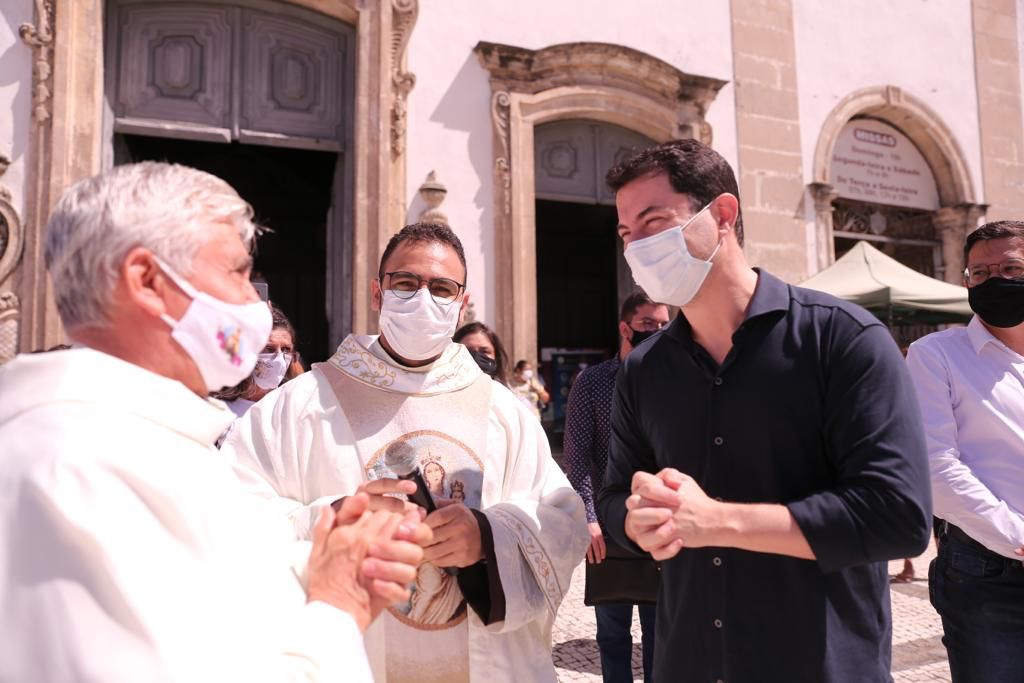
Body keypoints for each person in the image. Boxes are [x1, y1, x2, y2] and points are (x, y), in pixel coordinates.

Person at [0, 162, 430, 682]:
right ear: (147, 281)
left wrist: (324, 555)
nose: (255, 301)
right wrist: (339, 605)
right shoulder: (75, 466)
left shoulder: (145, 438)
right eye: (237, 273)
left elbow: (212, 599)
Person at [596, 139, 932, 683]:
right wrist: (634, 520)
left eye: (654, 222)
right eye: (627, 234)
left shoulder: (843, 340)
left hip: (821, 667)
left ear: (723, 215)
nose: (637, 247)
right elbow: (614, 496)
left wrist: (718, 521)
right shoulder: (645, 369)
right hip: (690, 665)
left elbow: (897, 515)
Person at [221, 222, 588, 683]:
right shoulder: (299, 406)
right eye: (406, 283)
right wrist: (335, 517)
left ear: (461, 304)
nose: (423, 298)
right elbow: (226, 517)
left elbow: (561, 518)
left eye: (441, 288)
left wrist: (488, 538)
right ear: (378, 293)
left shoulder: (503, 410)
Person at [905, 220, 1024, 682]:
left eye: (1010, 267)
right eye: (979, 272)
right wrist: (1018, 537)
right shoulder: (936, 354)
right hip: (986, 574)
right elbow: (935, 467)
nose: (994, 280)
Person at [565, 291, 669, 683]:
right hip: (608, 527)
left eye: (664, 326)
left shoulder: (674, 383)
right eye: (648, 325)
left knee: (661, 634)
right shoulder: (591, 383)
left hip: (659, 524)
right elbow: (577, 460)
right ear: (625, 328)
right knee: (612, 633)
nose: (658, 333)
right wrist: (589, 518)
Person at [214, 303, 302, 419]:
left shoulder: (291, 409)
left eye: (286, 349)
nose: (279, 358)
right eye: (269, 349)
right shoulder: (218, 409)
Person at [454, 321, 509, 385]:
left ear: (496, 356)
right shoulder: (442, 393)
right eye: (467, 350)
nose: (476, 356)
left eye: (484, 351)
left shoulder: (503, 393)